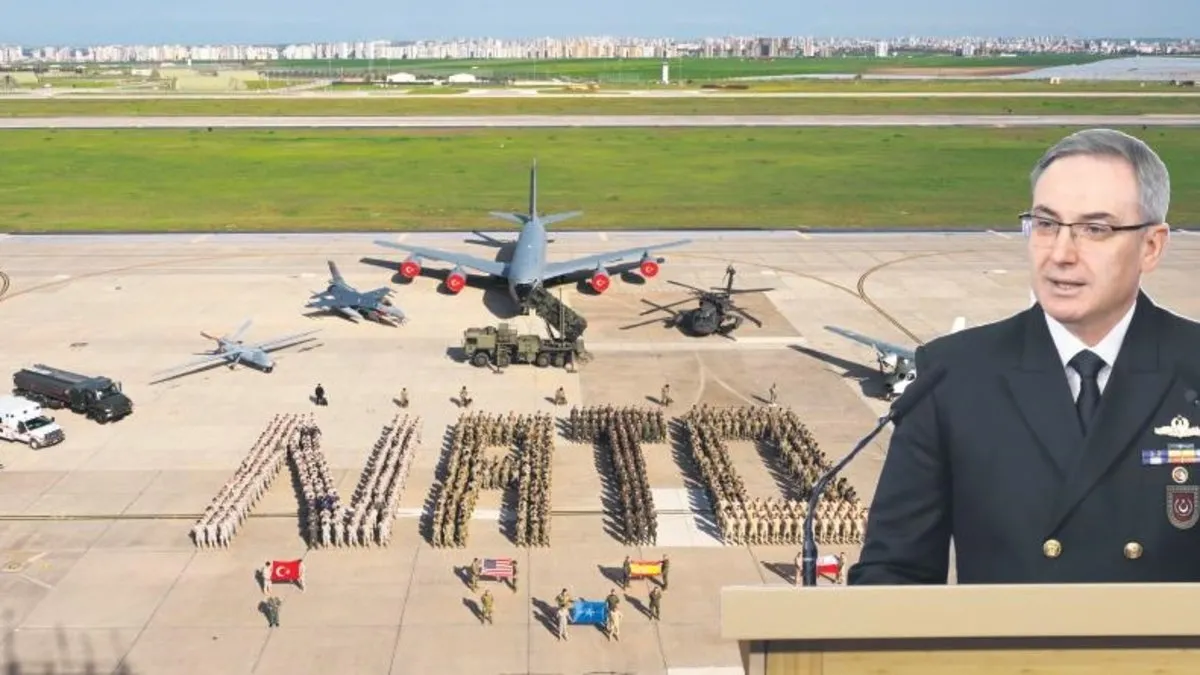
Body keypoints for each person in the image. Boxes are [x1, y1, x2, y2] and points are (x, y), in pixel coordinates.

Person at [849, 128, 1200, 585]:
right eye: (1046, 224)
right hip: (1005, 657)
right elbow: (893, 574)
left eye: (1095, 230)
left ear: (1150, 246)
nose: (1060, 254)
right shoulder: (954, 377)